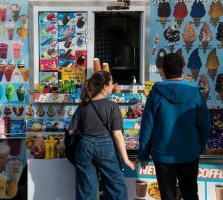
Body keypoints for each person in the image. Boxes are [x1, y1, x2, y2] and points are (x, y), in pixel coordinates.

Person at [137, 53, 211, 200]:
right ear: (183, 68)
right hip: (189, 153)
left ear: (163, 70)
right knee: (190, 194)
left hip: (163, 155)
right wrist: (199, 147)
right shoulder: (195, 93)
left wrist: (143, 153)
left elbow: (147, 125)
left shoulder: (156, 93)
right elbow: (204, 124)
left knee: (167, 195)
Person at [69, 71, 135, 200]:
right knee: (116, 187)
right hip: (106, 147)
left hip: (84, 146)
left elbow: (71, 131)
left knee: (86, 189)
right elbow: (117, 135)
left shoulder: (83, 105)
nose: (112, 86)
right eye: (111, 83)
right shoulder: (112, 106)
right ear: (104, 87)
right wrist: (126, 159)